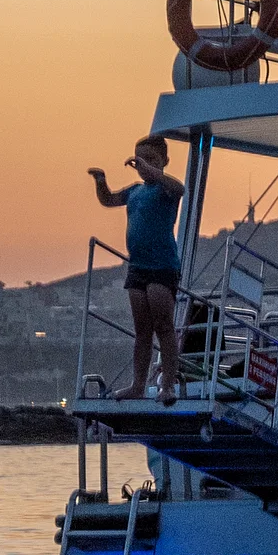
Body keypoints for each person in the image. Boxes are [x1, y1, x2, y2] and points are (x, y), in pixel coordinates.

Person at [90, 136, 184, 404]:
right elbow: (108, 200)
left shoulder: (165, 190)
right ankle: (138, 385)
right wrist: (100, 180)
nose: (143, 167)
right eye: (140, 161)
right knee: (142, 330)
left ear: (164, 162)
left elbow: (180, 189)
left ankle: (168, 385)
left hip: (161, 267)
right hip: (138, 267)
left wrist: (153, 171)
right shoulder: (135, 191)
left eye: (151, 161)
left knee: (163, 326)